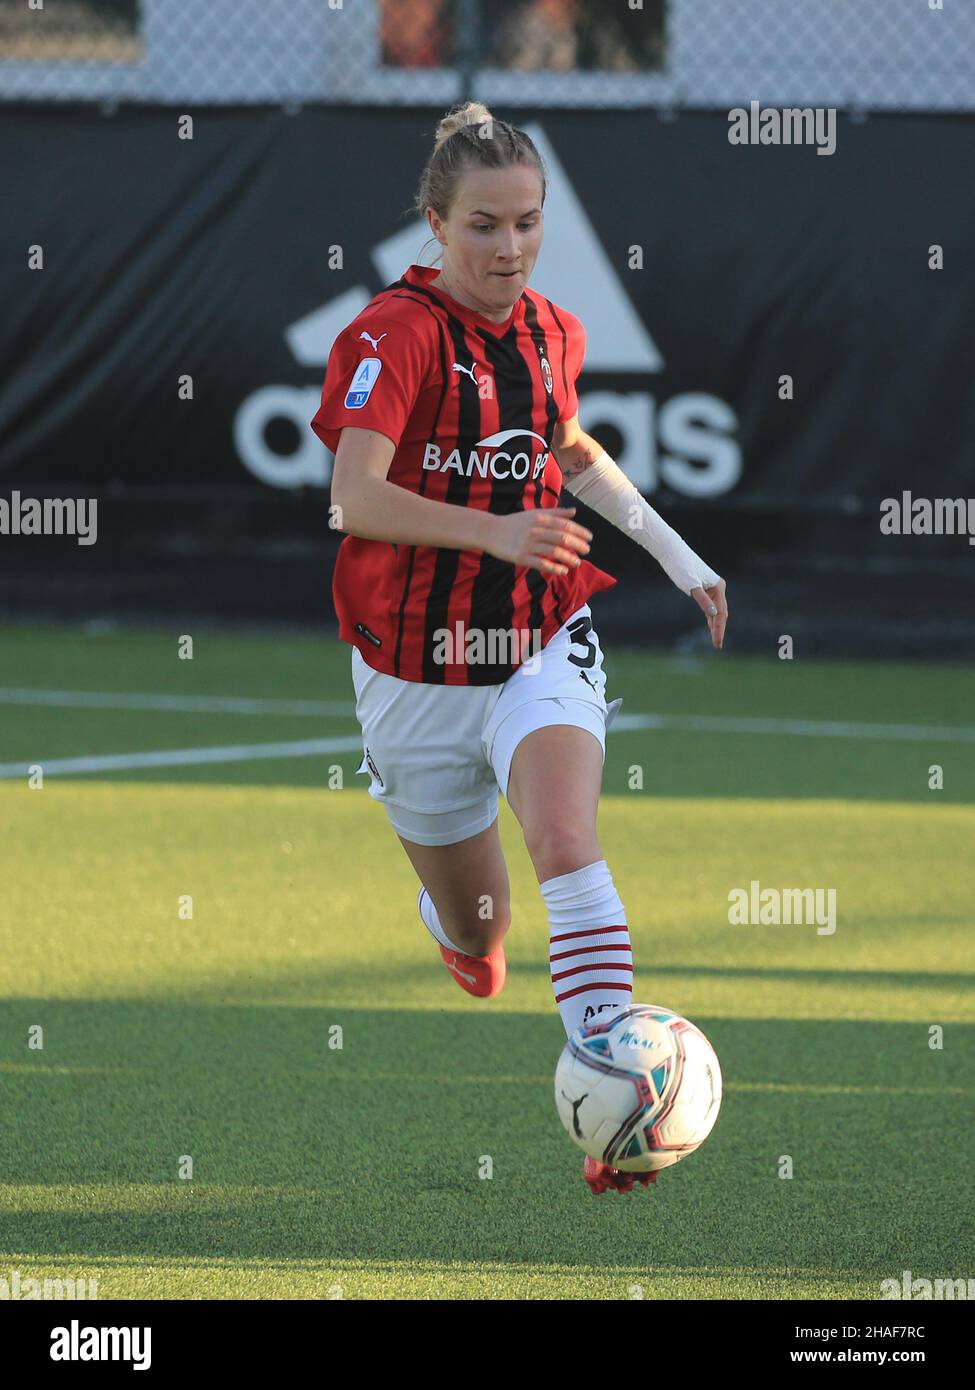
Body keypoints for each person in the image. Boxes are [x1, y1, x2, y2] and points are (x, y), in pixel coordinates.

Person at [310, 101, 728, 1195]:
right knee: (485, 947)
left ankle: (618, 1094)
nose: (511, 249)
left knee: (563, 834)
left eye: (528, 224)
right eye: (486, 227)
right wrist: (495, 526)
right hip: (411, 671)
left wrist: (676, 552)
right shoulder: (389, 337)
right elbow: (355, 498)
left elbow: (565, 445)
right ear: (437, 227)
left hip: (537, 633)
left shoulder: (552, 330)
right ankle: (457, 928)